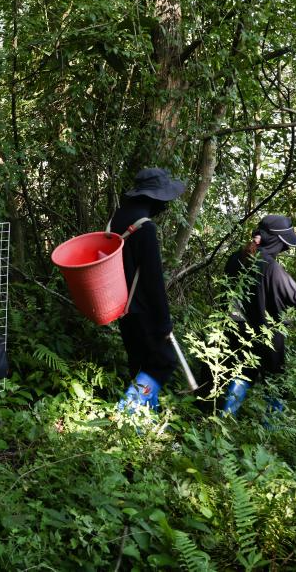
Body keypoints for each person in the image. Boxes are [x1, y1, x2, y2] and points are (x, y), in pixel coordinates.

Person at [220, 215, 296, 415]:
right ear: (277, 240)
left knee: (242, 372)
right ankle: (272, 427)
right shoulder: (271, 267)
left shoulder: (237, 257)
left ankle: (224, 419)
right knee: (275, 378)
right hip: (266, 334)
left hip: (236, 328)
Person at [107, 167, 186, 412]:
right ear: (155, 197)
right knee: (163, 362)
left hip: (122, 306)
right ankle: (127, 413)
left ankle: (143, 421)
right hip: (142, 310)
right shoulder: (145, 227)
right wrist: (164, 322)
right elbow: (153, 281)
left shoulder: (117, 218)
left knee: (139, 363)